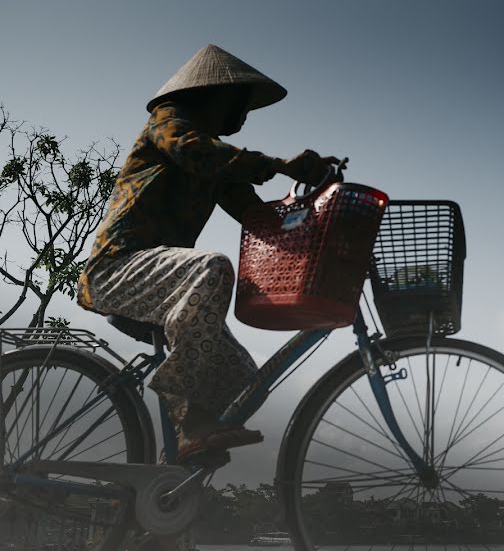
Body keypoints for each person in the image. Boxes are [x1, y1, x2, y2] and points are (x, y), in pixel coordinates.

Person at [77, 44, 339, 464]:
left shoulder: (219, 164)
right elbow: (192, 150)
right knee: (212, 266)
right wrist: (280, 164)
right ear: (215, 95)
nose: (244, 115)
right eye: (241, 104)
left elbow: (258, 218)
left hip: (165, 288)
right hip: (117, 269)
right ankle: (189, 417)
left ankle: (169, 483)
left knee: (244, 381)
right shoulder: (168, 123)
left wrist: (315, 215)